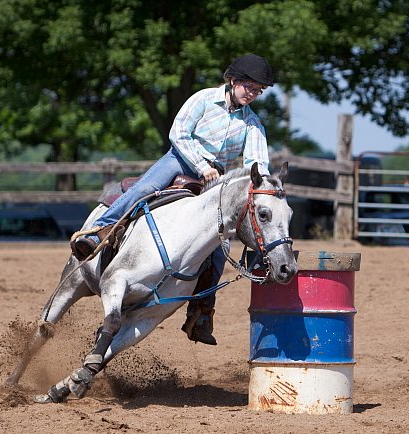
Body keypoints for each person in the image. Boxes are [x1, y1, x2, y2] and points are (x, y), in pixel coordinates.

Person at [71, 54, 275, 345]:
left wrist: (263, 183)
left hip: (215, 182)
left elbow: (258, 161)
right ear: (233, 81)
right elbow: (178, 133)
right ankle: (98, 231)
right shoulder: (204, 100)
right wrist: (202, 165)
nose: (253, 95)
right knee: (144, 188)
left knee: (219, 248)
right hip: (181, 162)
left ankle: (202, 312)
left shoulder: (252, 124)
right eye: (250, 88)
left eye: (258, 91)